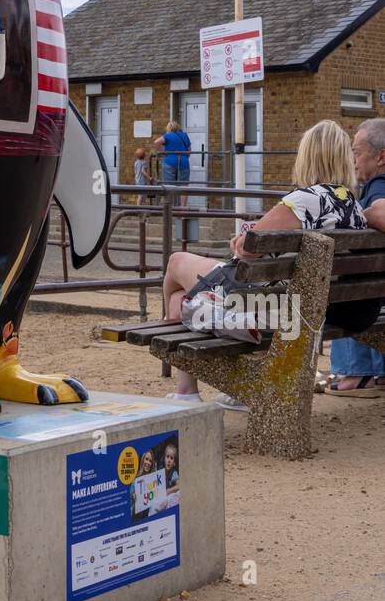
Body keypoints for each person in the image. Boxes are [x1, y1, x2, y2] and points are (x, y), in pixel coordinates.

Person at [161, 119, 369, 406]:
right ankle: (208, 392)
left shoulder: (303, 200)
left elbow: (246, 251)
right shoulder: (354, 207)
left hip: (265, 305)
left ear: (307, 156)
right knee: (183, 296)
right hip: (306, 305)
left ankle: (188, 391)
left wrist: (243, 236)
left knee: (176, 265)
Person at [327, 119, 385, 395]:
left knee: (340, 291)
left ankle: (355, 373)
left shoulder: (378, 187)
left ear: (381, 156)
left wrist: (359, 215)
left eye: (358, 152)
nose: (354, 160)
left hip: (361, 305)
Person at [153, 121, 192, 207]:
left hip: (169, 162)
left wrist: (163, 152)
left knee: (168, 186)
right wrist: (184, 157)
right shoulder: (184, 135)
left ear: (169, 128)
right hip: (184, 162)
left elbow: (156, 142)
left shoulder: (168, 135)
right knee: (184, 187)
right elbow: (189, 150)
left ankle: (168, 208)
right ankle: (183, 209)